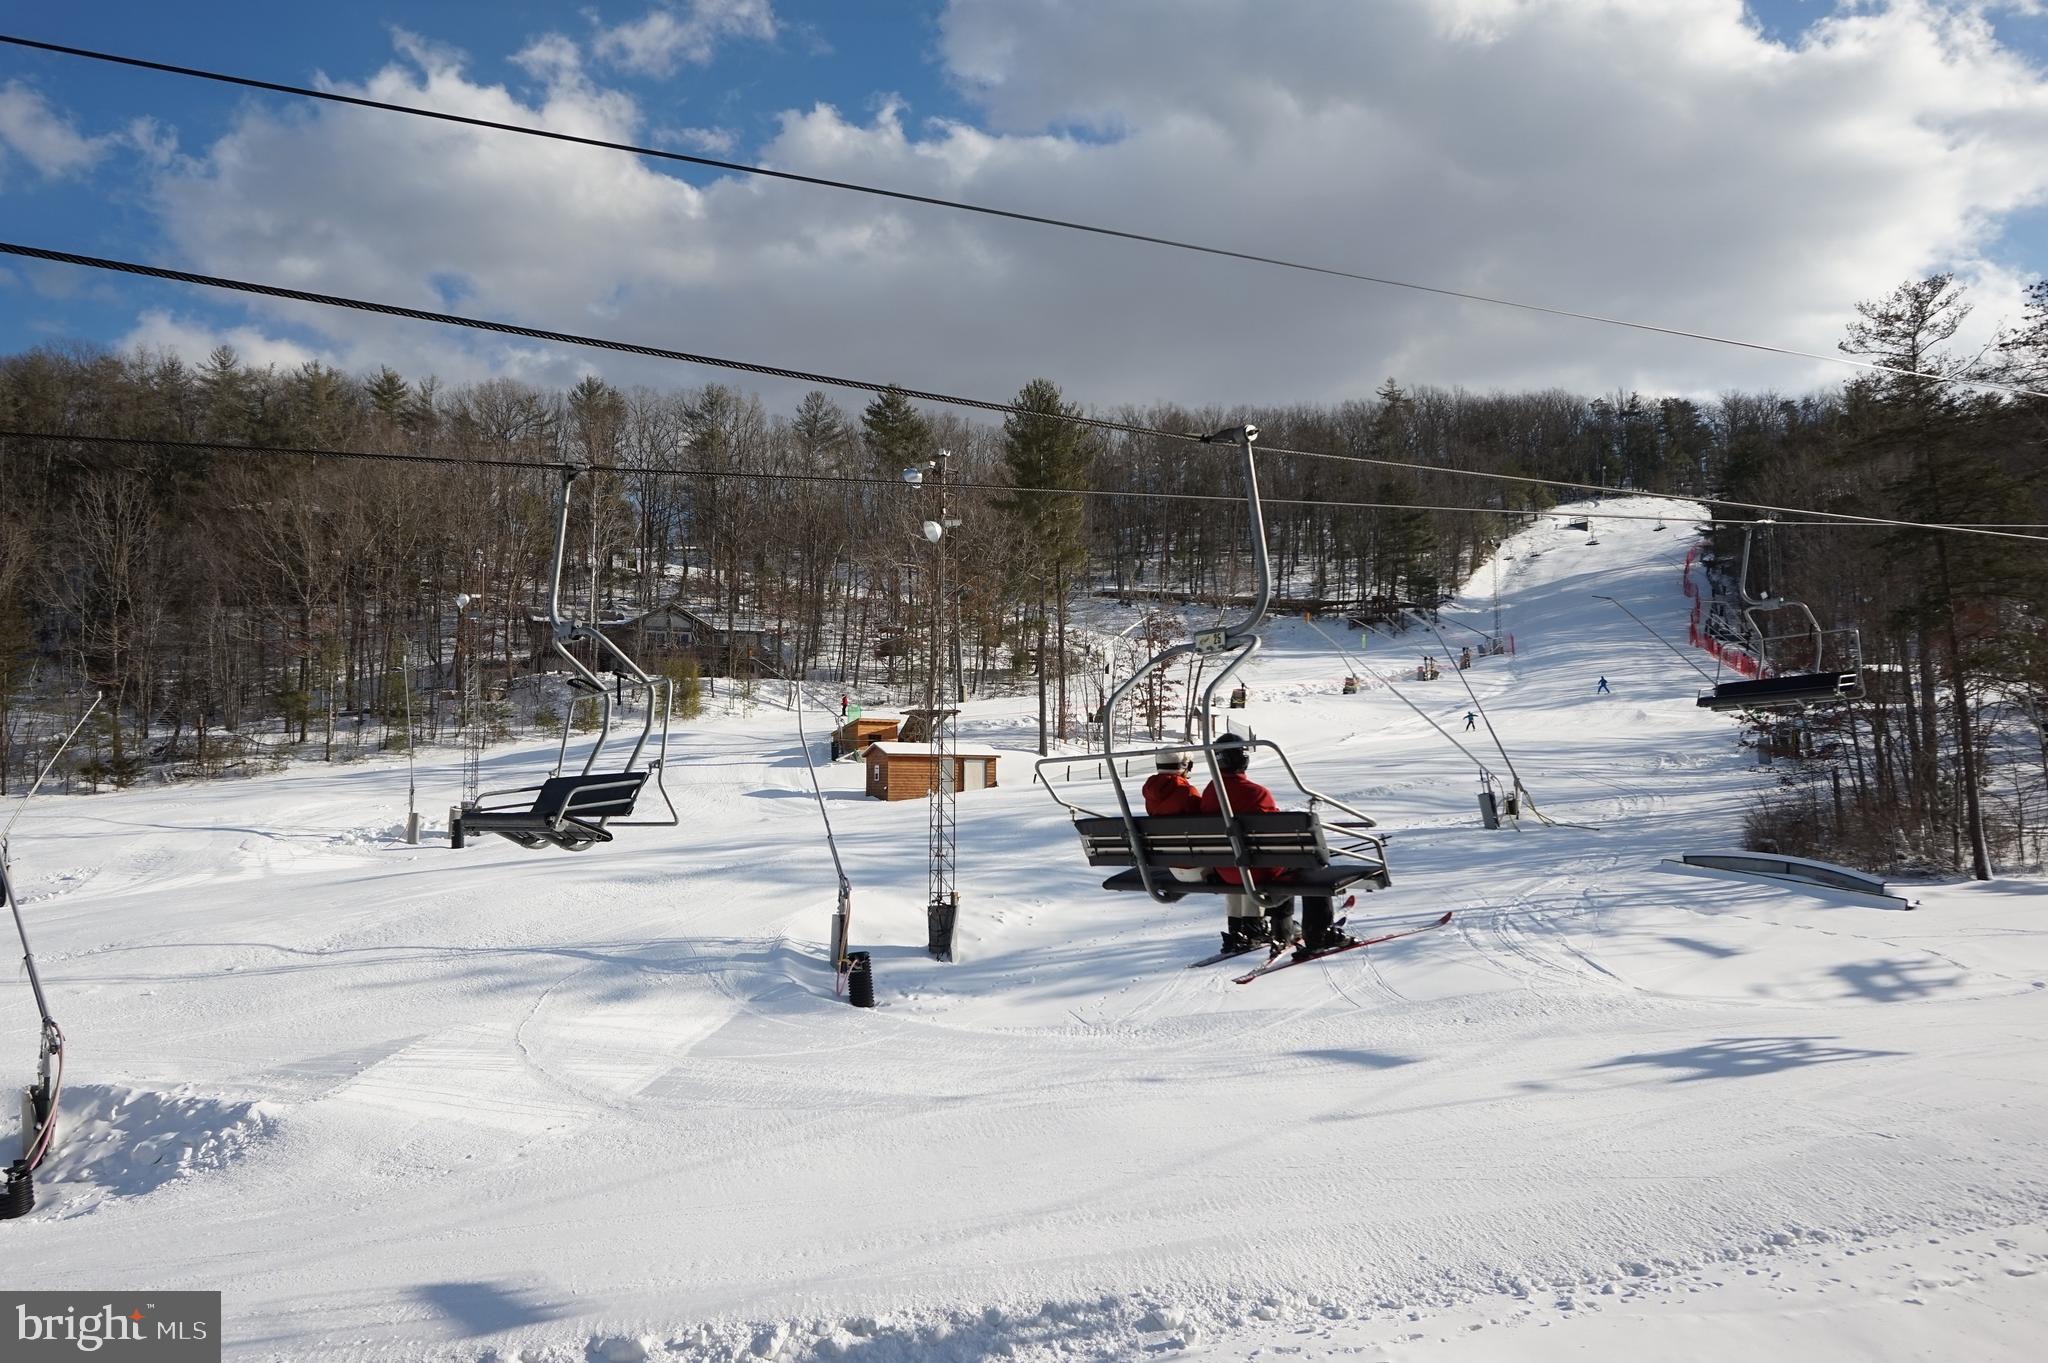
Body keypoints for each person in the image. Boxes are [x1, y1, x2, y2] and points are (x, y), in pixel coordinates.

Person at [1197, 735, 1313, 953]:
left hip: (1225, 869)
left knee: (1244, 859)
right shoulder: (1256, 793)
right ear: (1243, 760)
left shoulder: (1211, 793)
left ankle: (1240, 928)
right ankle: (1283, 928)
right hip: (1256, 870)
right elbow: (1278, 836)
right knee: (1296, 864)